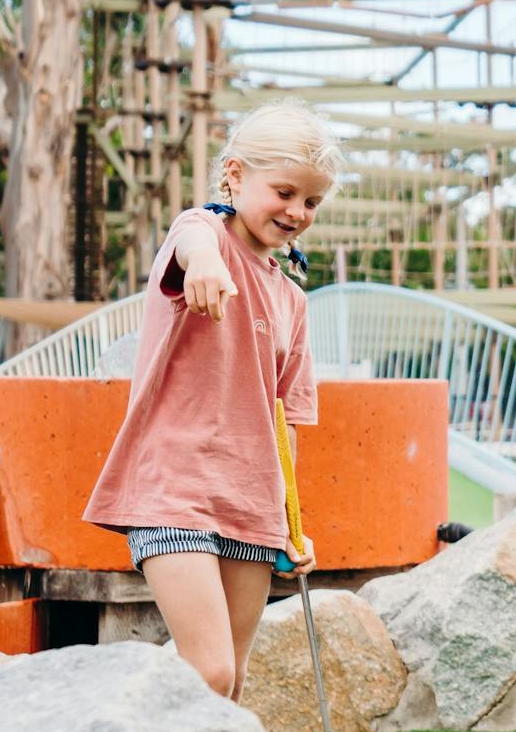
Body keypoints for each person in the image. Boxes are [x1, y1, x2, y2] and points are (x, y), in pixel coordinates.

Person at [85, 98, 343, 701]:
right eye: (284, 192)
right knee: (209, 672)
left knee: (234, 678)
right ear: (234, 174)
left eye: (311, 201)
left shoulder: (293, 301)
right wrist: (202, 262)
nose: (297, 211)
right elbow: (192, 231)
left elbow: (289, 420)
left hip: (251, 501)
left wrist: (290, 524)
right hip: (172, 489)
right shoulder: (202, 241)